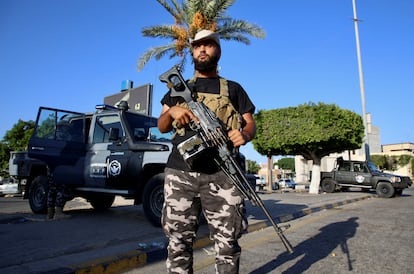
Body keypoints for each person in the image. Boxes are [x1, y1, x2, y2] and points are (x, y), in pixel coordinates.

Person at [158, 29, 256, 274]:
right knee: (178, 241)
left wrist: (243, 134)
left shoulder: (233, 89)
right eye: (198, 45)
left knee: (228, 243)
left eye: (209, 44)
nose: (202, 49)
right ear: (192, 52)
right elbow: (160, 126)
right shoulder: (177, 88)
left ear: (218, 50)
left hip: (222, 173)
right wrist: (172, 112)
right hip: (181, 172)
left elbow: (250, 122)